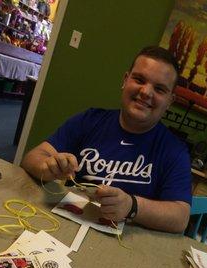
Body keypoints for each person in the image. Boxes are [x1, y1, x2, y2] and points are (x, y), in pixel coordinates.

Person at [21, 46, 192, 233]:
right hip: (65, 227)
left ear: (170, 101)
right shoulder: (89, 120)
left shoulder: (175, 150)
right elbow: (32, 158)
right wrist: (47, 167)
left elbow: (180, 217)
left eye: (159, 89)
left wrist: (131, 206)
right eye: (139, 79)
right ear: (125, 80)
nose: (146, 92)